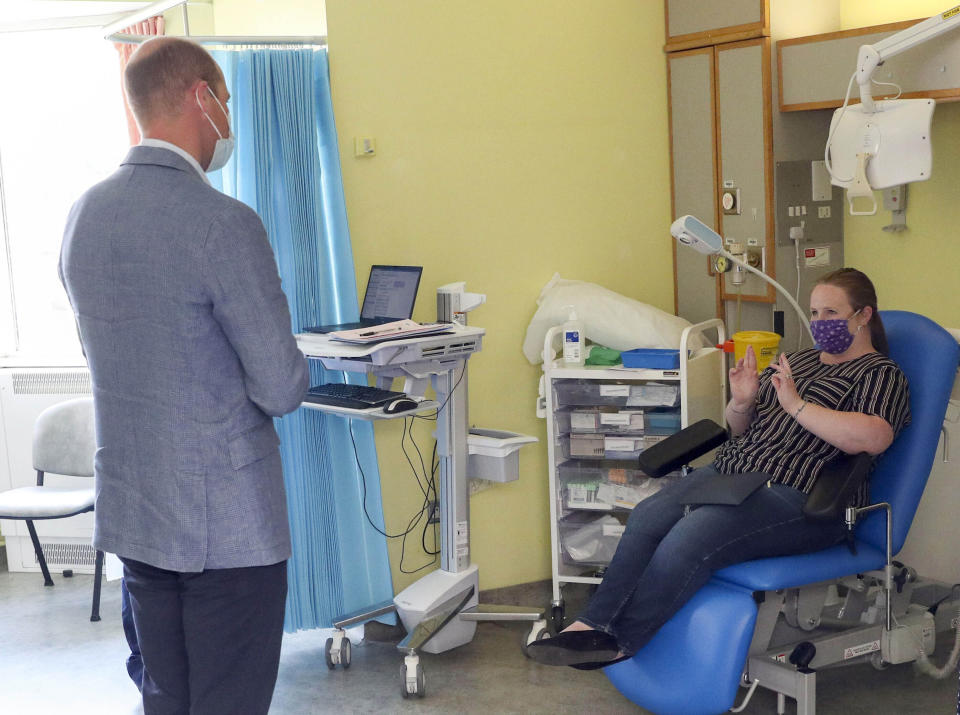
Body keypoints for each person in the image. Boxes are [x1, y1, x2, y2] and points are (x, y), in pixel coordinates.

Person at [59, 37, 309, 713]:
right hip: (225, 531)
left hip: (137, 515)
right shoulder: (222, 223)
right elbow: (281, 387)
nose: (229, 114)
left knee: (165, 696)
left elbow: (113, 356)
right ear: (201, 97)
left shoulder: (84, 216)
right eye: (225, 99)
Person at [528, 268, 910, 669]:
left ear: (863, 316)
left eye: (830, 313)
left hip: (800, 494)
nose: (818, 324)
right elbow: (742, 428)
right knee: (647, 515)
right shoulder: (796, 361)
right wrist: (743, 401)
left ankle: (623, 640)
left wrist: (796, 404)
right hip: (735, 473)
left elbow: (872, 437)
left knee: (692, 535)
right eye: (814, 314)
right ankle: (590, 625)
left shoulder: (880, 374)